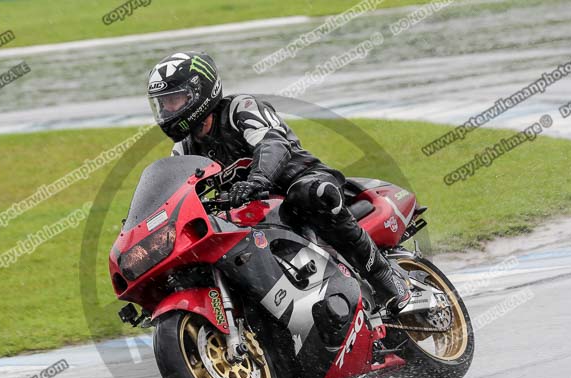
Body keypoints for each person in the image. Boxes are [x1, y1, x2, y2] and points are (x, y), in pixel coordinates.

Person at [147, 51, 410, 314]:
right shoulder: (184, 149)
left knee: (311, 194)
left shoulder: (241, 109)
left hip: (298, 182)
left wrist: (258, 179)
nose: (168, 110)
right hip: (253, 211)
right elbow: (176, 192)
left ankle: (384, 276)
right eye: (163, 103)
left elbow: (272, 143)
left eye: (174, 100)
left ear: (200, 92)